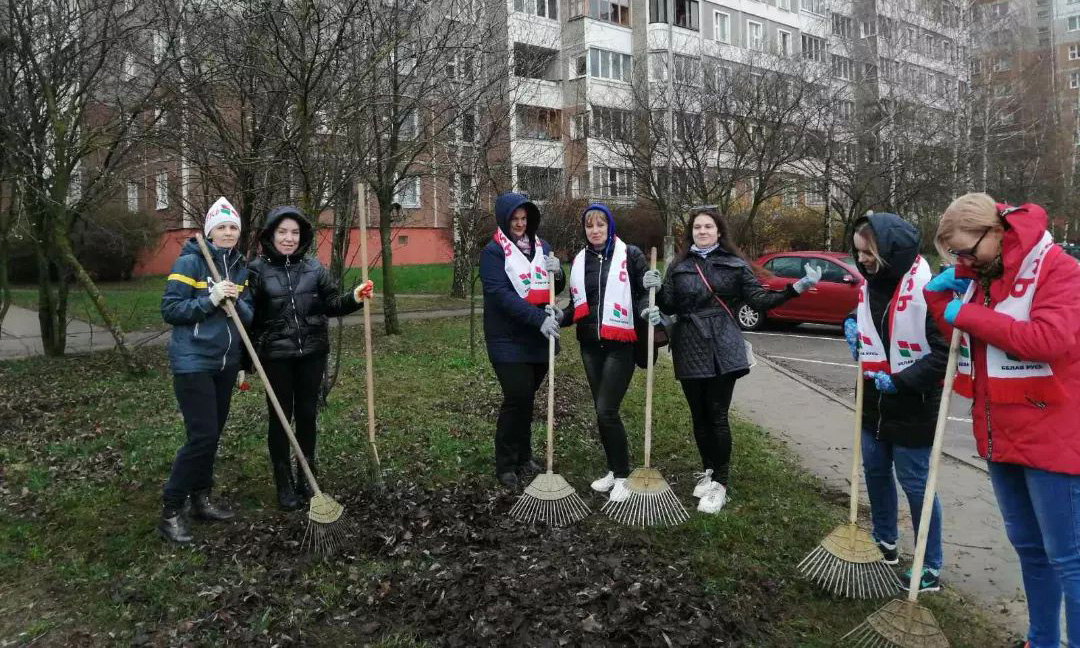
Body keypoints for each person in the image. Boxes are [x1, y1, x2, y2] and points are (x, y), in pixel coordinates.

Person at [926, 193, 1080, 648]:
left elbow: (1048, 339)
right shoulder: (984, 275)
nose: (962, 262)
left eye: (967, 251)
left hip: (1054, 433)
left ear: (994, 231)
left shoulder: (1060, 270)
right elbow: (960, 335)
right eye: (956, 255)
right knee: (1030, 551)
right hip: (1000, 432)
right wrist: (941, 302)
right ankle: (1041, 640)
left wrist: (967, 311)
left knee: (1068, 557)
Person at [642, 207, 821, 513]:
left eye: (708, 226)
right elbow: (670, 302)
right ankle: (709, 473)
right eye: (697, 227)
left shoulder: (735, 265)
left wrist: (797, 288)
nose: (702, 231)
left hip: (723, 345)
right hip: (688, 345)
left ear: (719, 231)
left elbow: (760, 300)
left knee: (717, 414)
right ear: (691, 233)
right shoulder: (679, 265)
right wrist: (655, 291)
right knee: (698, 416)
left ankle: (721, 485)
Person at [841, 213, 948, 592]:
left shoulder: (929, 288)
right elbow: (867, 318)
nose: (863, 260)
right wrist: (849, 324)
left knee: (916, 483)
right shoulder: (870, 285)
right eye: (858, 253)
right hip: (873, 395)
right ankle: (885, 540)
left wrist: (901, 381)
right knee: (874, 469)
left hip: (913, 401)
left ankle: (928, 562)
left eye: (868, 253)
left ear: (890, 249)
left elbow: (943, 352)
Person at [248, 206, 374, 511]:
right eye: (282, 232)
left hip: (312, 353)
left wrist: (354, 297)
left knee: (306, 415)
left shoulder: (314, 269)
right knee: (281, 419)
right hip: (276, 356)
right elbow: (248, 317)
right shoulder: (255, 271)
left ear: (302, 236)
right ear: (270, 235)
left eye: (294, 233)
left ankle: (307, 475)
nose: (289, 239)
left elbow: (331, 304)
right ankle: (284, 481)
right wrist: (245, 360)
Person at [158, 197, 253, 544]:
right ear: (210, 231)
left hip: (224, 363)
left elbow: (248, 318)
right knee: (202, 436)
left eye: (233, 228)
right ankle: (170, 510)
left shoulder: (241, 268)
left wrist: (235, 305)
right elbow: (171, 309)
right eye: (222, 227)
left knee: (212, 436)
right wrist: (209, 300)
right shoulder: (191, 261)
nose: (228, 233)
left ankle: (201, 498)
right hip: (193, 361)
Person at [557, 204, 649, 502]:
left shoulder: (630, 254)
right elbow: (576, 306)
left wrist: (649, 300)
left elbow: (644, 293)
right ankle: (613, 470)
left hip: (620, 343)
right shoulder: (580, 260)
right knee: (602, 411)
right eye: (589, 225)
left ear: (609, 226)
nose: (594, 230)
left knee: (606, 410)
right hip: (589, 345)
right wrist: (556, 317)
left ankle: (622, 476)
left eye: (600, 224)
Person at [480, 192, 565, 489]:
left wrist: (560, 272)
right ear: (505, 221)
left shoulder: (543, 248)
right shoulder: (493, 252)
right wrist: (537, 318)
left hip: (538, 339)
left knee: (526, 399)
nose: (519, 224)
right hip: (507, 338)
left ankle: (524, 455)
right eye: (514, 219)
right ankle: (505, 464)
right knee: (517, 397)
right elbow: (499, 295)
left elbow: (554, 286)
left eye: (523, 219)